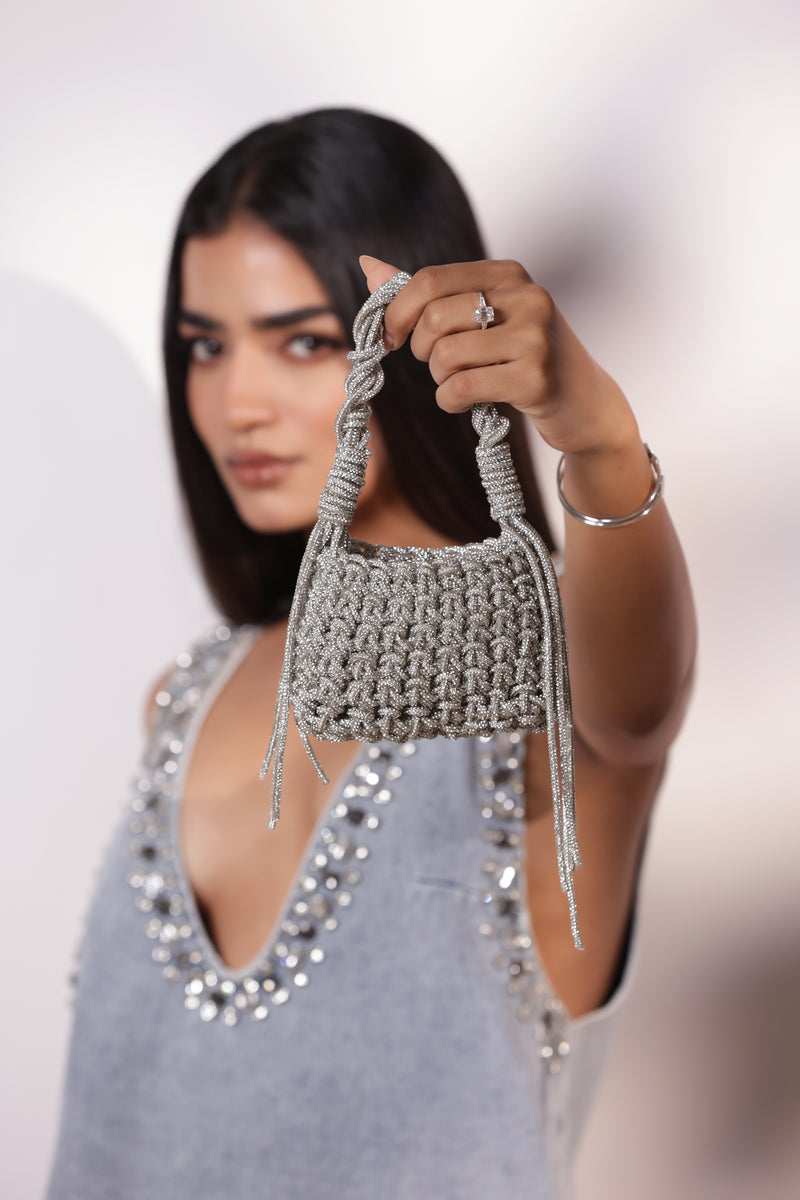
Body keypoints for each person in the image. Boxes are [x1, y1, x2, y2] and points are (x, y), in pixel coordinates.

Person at [45, 107, 696, 1199]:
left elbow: (633, 711)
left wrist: (597, 437)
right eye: (205, 346)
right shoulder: (185, 698)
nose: (237, 403)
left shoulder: (537, 681)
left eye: (302, 340)